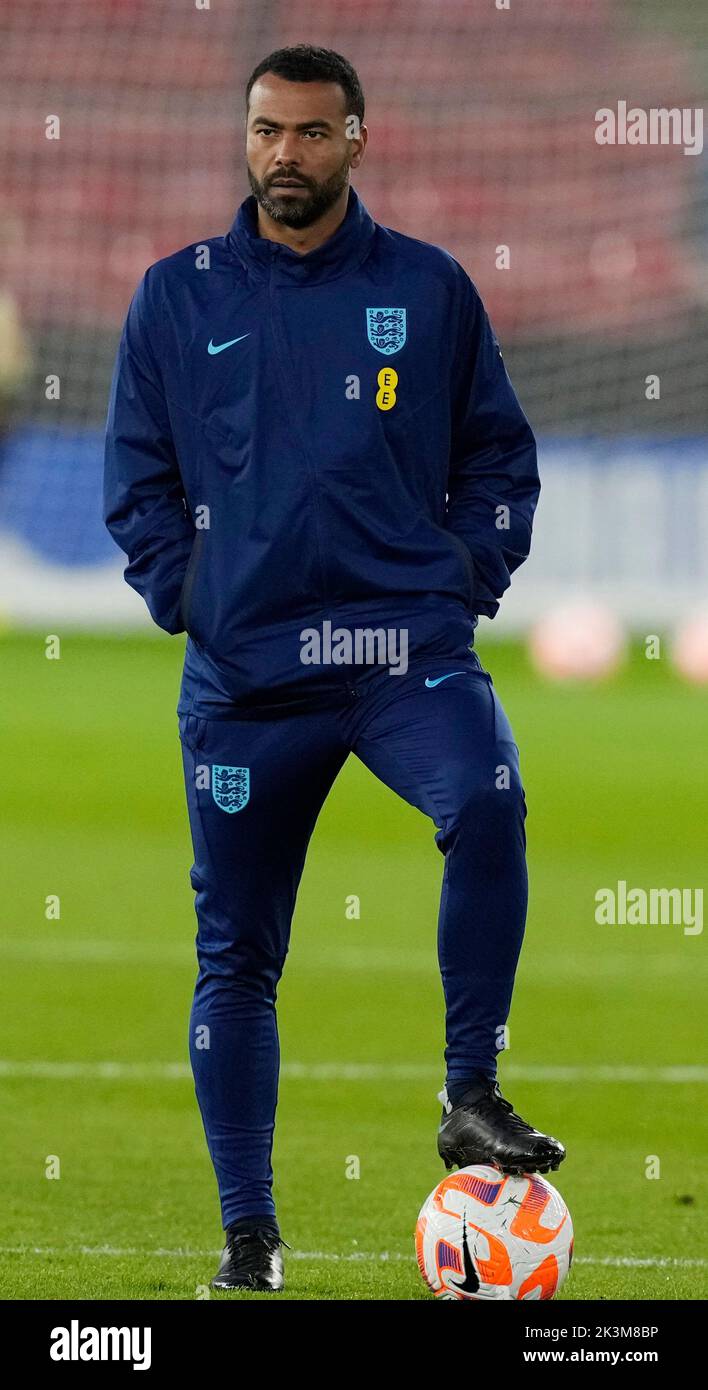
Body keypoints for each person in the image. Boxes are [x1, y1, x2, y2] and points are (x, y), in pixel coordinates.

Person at [104, 43, 565, 1295]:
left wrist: (460, 586)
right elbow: (136, 483)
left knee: (490, 801)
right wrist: (194, 597)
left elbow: (501, 465)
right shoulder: (177, 295)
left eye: (312, 133)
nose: (285, 155)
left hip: (398, 660)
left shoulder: (428, 289)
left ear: (357, 138)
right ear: (244, 137)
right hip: (250, 688)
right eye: (267, 131)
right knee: (237, 958)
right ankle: (250, 1240)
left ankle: (471, 1089)